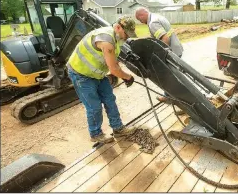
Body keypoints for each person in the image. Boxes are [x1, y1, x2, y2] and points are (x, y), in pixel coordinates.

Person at [67, 16, 137, 144]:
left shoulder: (115, 38)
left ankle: (118, 128)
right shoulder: (106, 41)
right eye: (126, 33)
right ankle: (96, 134)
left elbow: (113, 61)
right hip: (81, 74)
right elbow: (114, 69)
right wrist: (128, 77)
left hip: (97, 74)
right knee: (94, 107)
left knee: (110, 99)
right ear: (118, 27)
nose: (127, 37)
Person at [135, 8, 184, 103]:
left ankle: (177, 99)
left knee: (168, 76)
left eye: (140, 20)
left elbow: (165, 39)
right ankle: (170, 97)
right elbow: (162, 35)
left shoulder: (152, 23)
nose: (141, 22)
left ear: (141, 15)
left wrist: (160, 57)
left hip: (171, 52)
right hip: (176, 48)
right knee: (171, 76)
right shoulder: (157, 17)